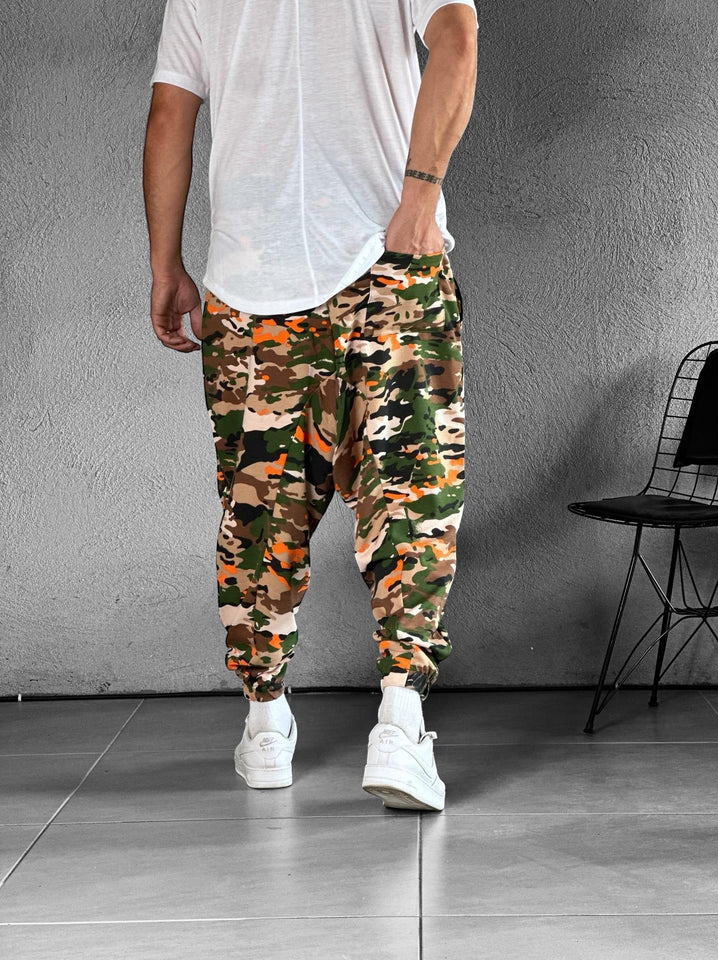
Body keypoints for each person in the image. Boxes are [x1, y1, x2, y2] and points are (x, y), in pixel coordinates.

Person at [143, 0, 478, 811]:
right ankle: (399, 723)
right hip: (388, 263)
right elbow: (458, 38)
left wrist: (166, 265)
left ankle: (265, 723)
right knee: (412, 495)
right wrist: (420, 195)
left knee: (259, 514)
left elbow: (170, 114)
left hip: (252, 287)